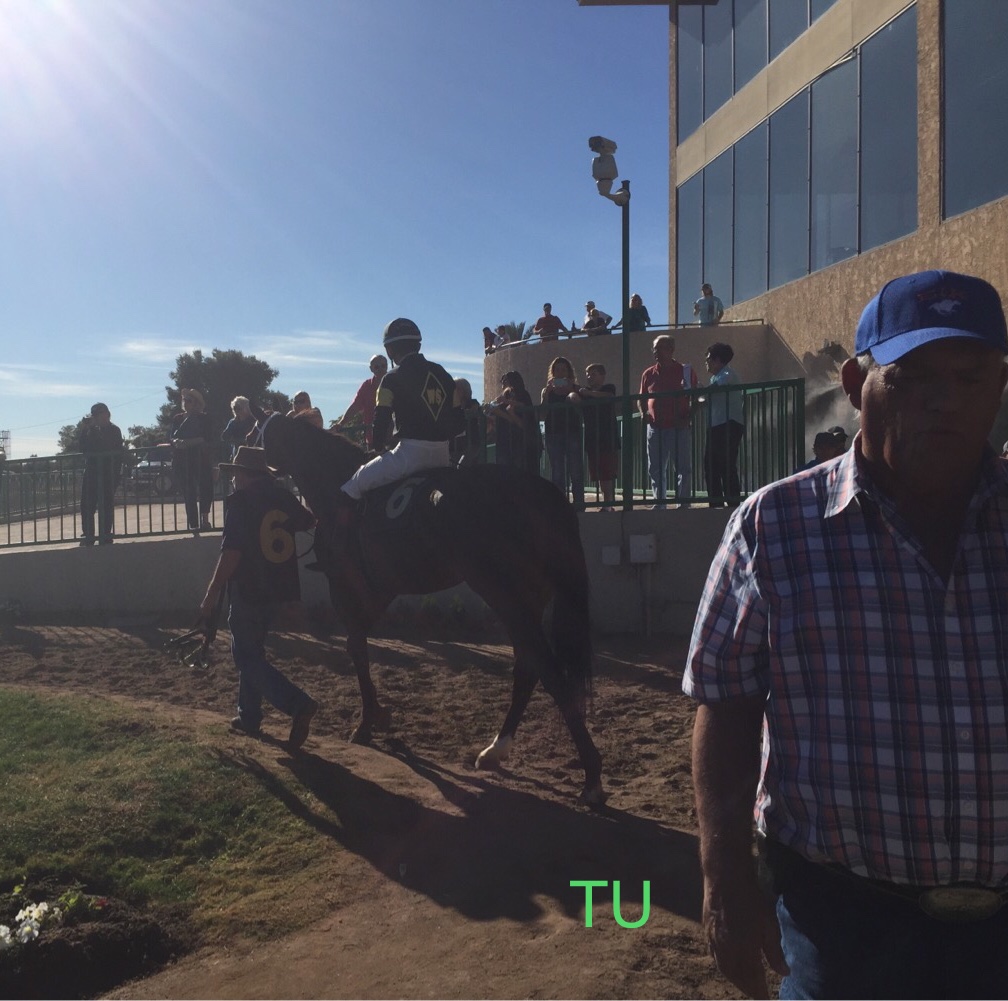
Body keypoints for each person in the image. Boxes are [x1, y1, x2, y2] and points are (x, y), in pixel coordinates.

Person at [684, 269, 1008, 999]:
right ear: (858, 381)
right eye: (913, 374)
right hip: (842, 927)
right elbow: (726, 707)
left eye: (971, 376)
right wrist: (724, 876)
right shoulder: (774, 528)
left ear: (1000, 384)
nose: (945, 400)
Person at [196, 446, 318, 749]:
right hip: (280, 588)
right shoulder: (283, 496)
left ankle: (296, 703)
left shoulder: (240, 502)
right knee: (252, 651)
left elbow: (232, 554)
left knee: (245, 656)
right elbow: (309, 521)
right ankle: (248, 715)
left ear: (244, 474)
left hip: (249, 588)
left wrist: (210, 594)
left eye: (236, 473)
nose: (234, 478)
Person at [341, 318, 457, 501]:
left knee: (354, 484)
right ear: (418, 345)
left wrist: (378, 448)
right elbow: (457, 417)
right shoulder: (442, 373)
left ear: (389, 350)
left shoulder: (390, 379)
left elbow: (381, 419)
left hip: (409, 456)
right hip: (443, 454)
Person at [638, 335, 698, 508]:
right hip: (655, 427)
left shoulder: (685, 371)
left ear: (671, 350)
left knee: (683, 468)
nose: (656, 352)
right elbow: (641, 398)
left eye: (660, 348)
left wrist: (688, 418)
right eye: (655, 348)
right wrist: (643, 413)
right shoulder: (648, 374)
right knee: (655, 468)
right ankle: (660, 502)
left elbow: (697, 397)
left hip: (679, 426)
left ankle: (683, 503)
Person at [703, 343, 743, 507]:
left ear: (718, 360)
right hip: (717, 425)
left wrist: (700, 391)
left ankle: (732, 502)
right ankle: (716, 501)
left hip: (728, 424)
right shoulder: (717, 376)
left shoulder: (727, 373)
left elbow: (714, 389)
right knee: (711, 464)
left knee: (726, 464)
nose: (706, 363)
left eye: (708, 360)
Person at [541, 357, 584, 508]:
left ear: (568, 372)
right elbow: (542, 414)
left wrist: (571, 391)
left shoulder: (575, 388)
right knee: (557, 472)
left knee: (576, 470)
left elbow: (581, 409)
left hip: (572, 431)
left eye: (563, 369)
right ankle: (561, 506)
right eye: (557, 370)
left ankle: (579, 504)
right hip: (553, 433)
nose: (560, 373)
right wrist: (546, 394)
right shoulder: (547, 391)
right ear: (552, 373)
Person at [78, 402, 124, 546]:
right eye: (95, 415)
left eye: (99, 414)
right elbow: (83, 449)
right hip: (91, 471)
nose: (97, 418)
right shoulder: (89, 431)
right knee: (86, 505)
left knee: (106, 505)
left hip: (108, 472)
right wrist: (86, 429)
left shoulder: (114, 430)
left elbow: (107, 447)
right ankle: (88, 535)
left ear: (107, 414)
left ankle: (105, 535)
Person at [171, 388, 214, 534]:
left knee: (205, 489)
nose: (186, 403)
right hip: (183, 460)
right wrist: (177, 442)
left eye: (189, 400)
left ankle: (205, 519)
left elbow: (208, 437)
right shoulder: (178, 418)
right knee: (188, 491)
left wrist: (190, 442)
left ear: (196, 403)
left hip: (201, 458)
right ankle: (193, 523)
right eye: (184, 400)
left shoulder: (204, 418)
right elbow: (171, 436)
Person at [578, 364, 619, 510]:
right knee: (599, 474)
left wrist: (588, 394)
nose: (589, 377)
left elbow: (609, 396)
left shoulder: (608, 388)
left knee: (607, 472)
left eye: (593, 374)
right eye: (588, 374)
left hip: (607, 437)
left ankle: (608, 503)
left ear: (602, 376)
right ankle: (607, 502)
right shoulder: (584, 392)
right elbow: (573, 396)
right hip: (592, 438)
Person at [487, 371, 541, 472]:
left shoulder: (523, 394)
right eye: (502, 381)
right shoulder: (502, 397)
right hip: (505, 441)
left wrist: (508, 404)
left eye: (506, 380)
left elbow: (525, 413)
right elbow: (490, 408)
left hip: (521, 442)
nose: (503, 383)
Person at [333, 355, 388, 447]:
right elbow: (355, 406)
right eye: (376, 367)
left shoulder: (394, 382)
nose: (380, 369)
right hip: (373, 439)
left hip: (394, 438)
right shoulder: (366, 386)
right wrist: (341, 423)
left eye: (383, 366)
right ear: (371, 369)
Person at [450, 377, 485, 467]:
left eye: (457, 389)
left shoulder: (472, 403)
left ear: (464, 390)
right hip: (456, 445)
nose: (454, 391)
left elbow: (475, 408)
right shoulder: (452, 407)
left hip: (471, 443)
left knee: (464, 465)